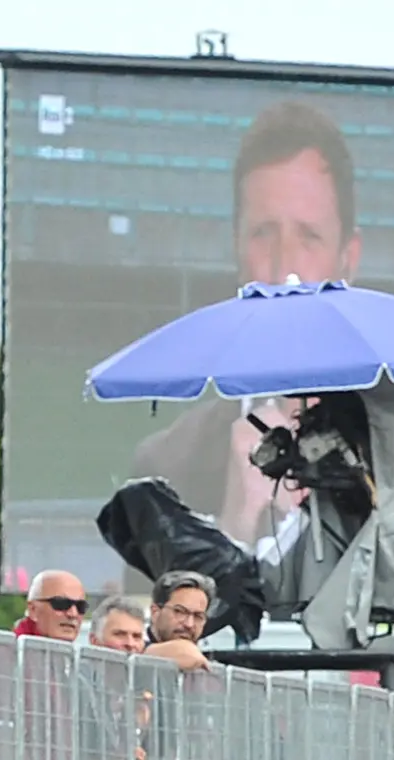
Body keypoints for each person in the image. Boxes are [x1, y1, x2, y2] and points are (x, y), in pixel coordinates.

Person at [130, 100, 361, 547]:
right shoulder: (164, 464)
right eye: (263, 234)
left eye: (308, 237)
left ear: (348, 259)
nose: (282, 270)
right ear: (237, 247)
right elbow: (146, 615)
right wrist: (233, 529)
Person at [13, 570, 88, 642]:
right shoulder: (8, 652)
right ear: (33, 610)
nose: (73, 614)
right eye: (61, 604)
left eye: (80, 606)